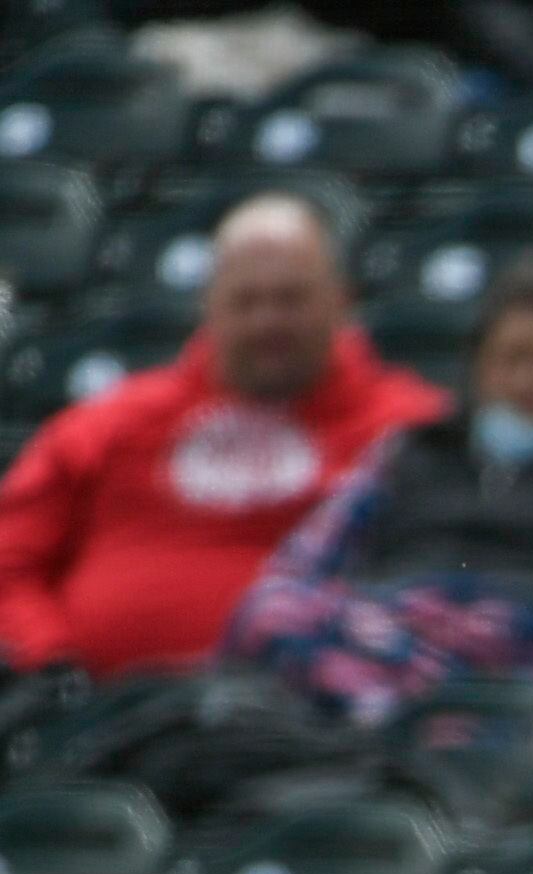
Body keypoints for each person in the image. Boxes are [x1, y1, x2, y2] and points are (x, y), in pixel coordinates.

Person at [221, 255, 533, 737]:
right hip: (388, 642)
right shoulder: (410, 451)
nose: (530, 381)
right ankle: (392, 725)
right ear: (480, 367)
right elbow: (300, 568)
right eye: (512, 359)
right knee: (271, 610)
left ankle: (416, 727)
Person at [0, 195, 445, 679]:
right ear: (208, 306)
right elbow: (10, 559)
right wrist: (50, 660)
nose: (266, 321)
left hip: (322, 725)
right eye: (245, 300)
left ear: (341, 302)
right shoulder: (109, 423)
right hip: (104, 718)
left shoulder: (410, 428)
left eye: (290, 299)